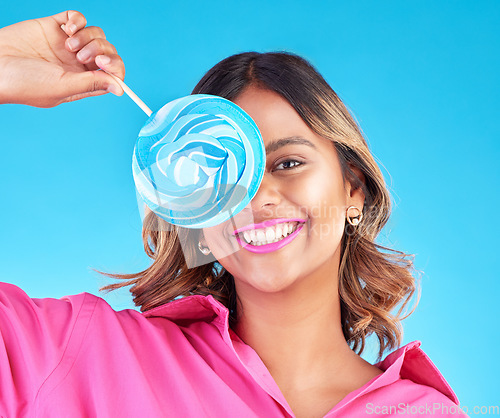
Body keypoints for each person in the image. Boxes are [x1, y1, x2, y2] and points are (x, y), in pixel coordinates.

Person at [0, 10, 467, 418]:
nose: (255, 197)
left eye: (288, 163)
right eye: (220, 173)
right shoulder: (79, 353)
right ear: (195, 217)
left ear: (354, 190)